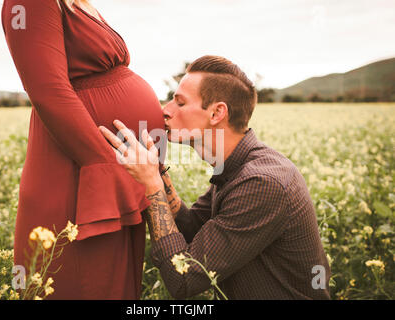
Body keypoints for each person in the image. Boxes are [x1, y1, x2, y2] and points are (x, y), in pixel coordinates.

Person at [100, 55, 331, 299]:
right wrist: (155, 170)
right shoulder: (234, 167)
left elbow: (184, 279)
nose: (164, 110)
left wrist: (152, 185)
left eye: (179, 103)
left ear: (216, 113)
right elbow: (192, 229)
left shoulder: (262, 182)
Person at [1, 0, 165, 299]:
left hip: (115, 170)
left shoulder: (79, 3)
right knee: (85, 276)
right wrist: (107, 168)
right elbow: (48, 90)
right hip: (82, 169)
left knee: (116, 279)